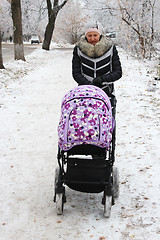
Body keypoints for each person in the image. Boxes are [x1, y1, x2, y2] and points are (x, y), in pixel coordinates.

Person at [72, 21, 122, 116]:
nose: (92, 38)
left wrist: (102, 80)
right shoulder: (78, 49)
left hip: (107, 93)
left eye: (95, 35)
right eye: (89, 35)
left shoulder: (111, 48)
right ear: (85, 35)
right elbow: (76, 73)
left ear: (100, 34)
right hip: (85, 93)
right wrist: (87, 84)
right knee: (85, 125)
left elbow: (118, 72)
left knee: (108, 125)